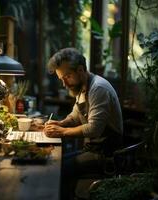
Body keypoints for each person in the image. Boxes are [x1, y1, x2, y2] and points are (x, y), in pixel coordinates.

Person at [44, 47, 123, 199]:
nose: (64, 84)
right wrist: (60, 123)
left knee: (58, 170)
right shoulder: (82, 87)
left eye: (67, 77)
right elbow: (75, 115)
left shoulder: (98, 89)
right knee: (54, 163)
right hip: (92, 150)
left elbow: (94, 129)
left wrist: (62, 132)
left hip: (106, 155)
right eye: (61, 79)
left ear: (80, 70)